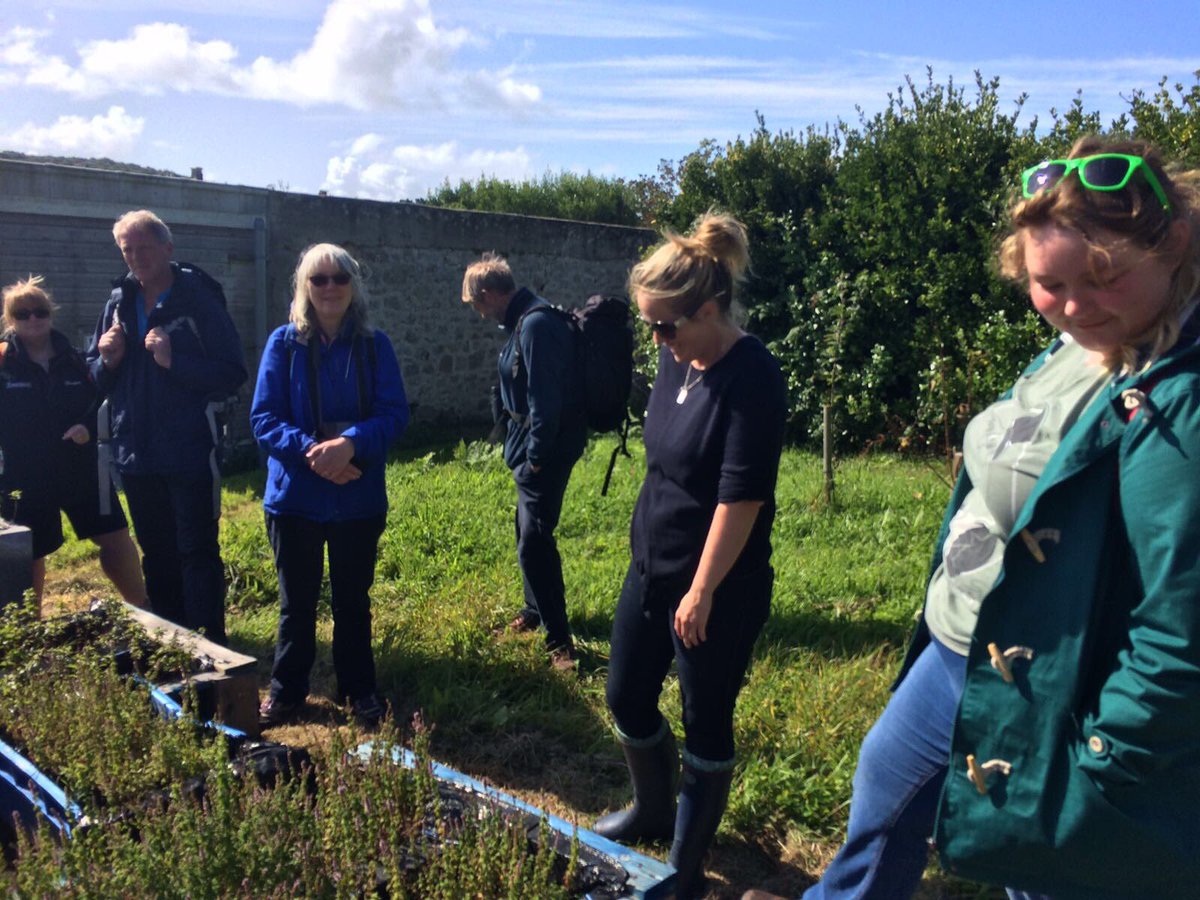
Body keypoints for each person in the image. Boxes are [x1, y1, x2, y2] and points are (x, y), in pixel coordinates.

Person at [745, 137, 1200, 900]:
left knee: (1041, 867)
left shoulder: (1179, 401)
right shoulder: (1079, 344)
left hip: (1058, 689)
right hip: (964, 650)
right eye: (1046, 283)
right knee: (883, 797)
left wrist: (1102, 762)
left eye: (1103, 278)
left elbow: (1182, 630)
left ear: (1176, 242)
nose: (1074, 306)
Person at [597, 212, 787, 899]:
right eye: (649, 326)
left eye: (667, 326)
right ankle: (651, 808)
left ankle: (684, 860)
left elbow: (741, 496)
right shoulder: (677, 361)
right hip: (650, 568)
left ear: (711, 309)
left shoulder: (752, 376)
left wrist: (702, 589)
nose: (658, 340)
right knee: (625, 694)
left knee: (705, 719)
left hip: (716, 587)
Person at [251, 244, 409, 729]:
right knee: (296, 603)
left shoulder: (374, 346)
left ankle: (359, 690)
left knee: (352, 602)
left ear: (353, 285)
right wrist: (317, 455)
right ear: (304, 287)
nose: (329, 287)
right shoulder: (283, 344)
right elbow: (263, 418)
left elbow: (395, 415)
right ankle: (287, 690)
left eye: (339, 277)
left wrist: (351, 444)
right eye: (318, 279)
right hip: (296, 498)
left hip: (356, 499)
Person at [86, 210, 247, 643]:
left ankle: (211, 645)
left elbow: (232, 371)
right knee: (156, 555)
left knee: (196, 551)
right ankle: (173, 644)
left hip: (189, 448)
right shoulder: (117, 301)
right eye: (128, 250)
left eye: (145, 248)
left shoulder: (197, 298)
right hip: (136, 453)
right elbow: (95, 377)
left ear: (168, 248)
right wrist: (107, 359)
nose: (136, 257)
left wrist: (175, 362)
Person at [461, 253, 587, 669]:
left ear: (491, 294)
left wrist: (534, 458)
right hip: (531, 446)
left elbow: (545, 400)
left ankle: (560, 641)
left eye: (477, 304)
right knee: (525, 528)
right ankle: (535, 609)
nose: (479, 314)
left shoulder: (535, 325)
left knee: (535, 540)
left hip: (546, 450)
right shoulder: (522, 320)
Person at [0, 276, 146, 614]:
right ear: (11, 320)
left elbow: (101, 401)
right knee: (28, 553)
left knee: (114, 537)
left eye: (40, 311)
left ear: (51, 313)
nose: (33, 319)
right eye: (23, 314)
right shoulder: (4, 363)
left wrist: (88, 428)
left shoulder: (78, 360)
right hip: (25, 476)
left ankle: (144, 609)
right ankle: (27, 631)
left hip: (81, 469)